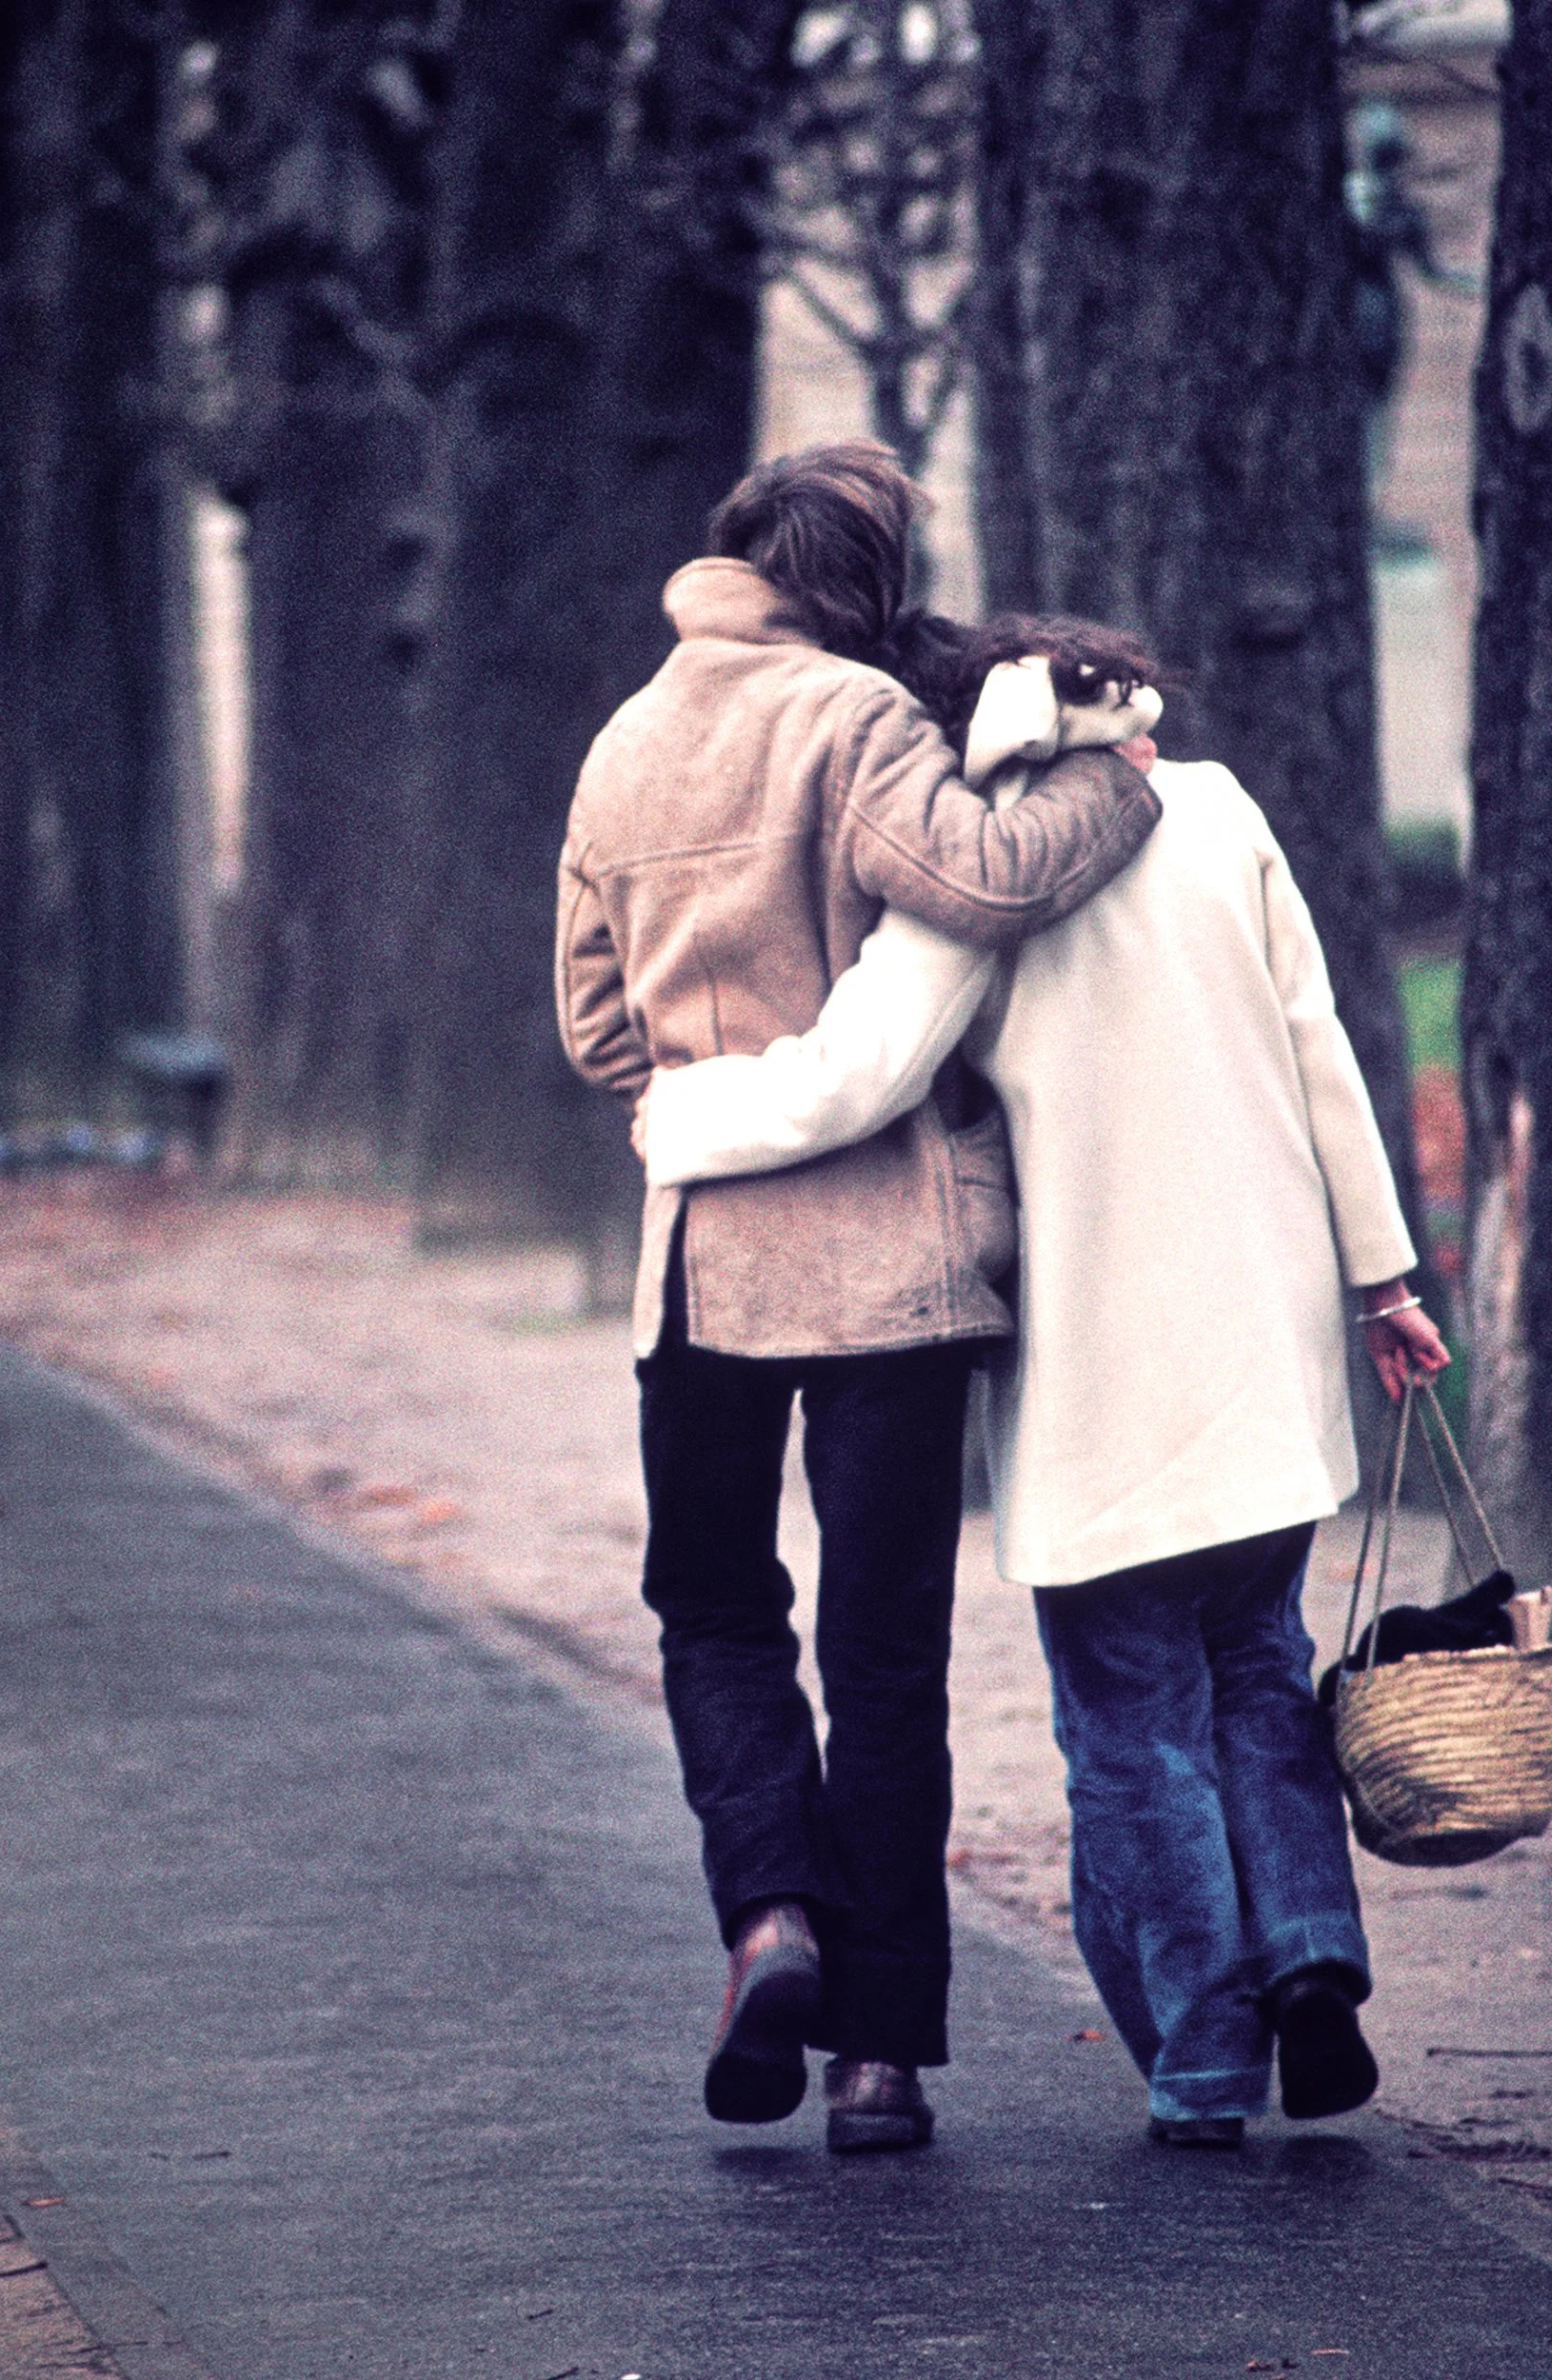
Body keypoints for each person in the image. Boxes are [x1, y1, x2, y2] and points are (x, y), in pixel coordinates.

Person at [639, 610, 1450, 2149]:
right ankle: (1313, 1961)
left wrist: (680, 1120)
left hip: (1100, 1362)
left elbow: (857, 1075)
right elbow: (1316, 1042)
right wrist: (1383, 1276)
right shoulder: (1214, 812)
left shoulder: (983, 883)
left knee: (1132, 1717)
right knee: (1259, 1668)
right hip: (1264, 1337)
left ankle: (1209, 2058)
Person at [554, 448, 1162, 2152]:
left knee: (716, 1610)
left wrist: (705, 1091)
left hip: (703, 1271)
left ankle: (769, 1919)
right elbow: (977, 879)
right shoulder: (859, 720)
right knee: (885, 1655)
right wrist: (1120, 780)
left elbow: (599, 1035)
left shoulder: (620, 745)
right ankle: (879, 2060)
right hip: (895, 1266)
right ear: (872, 580)